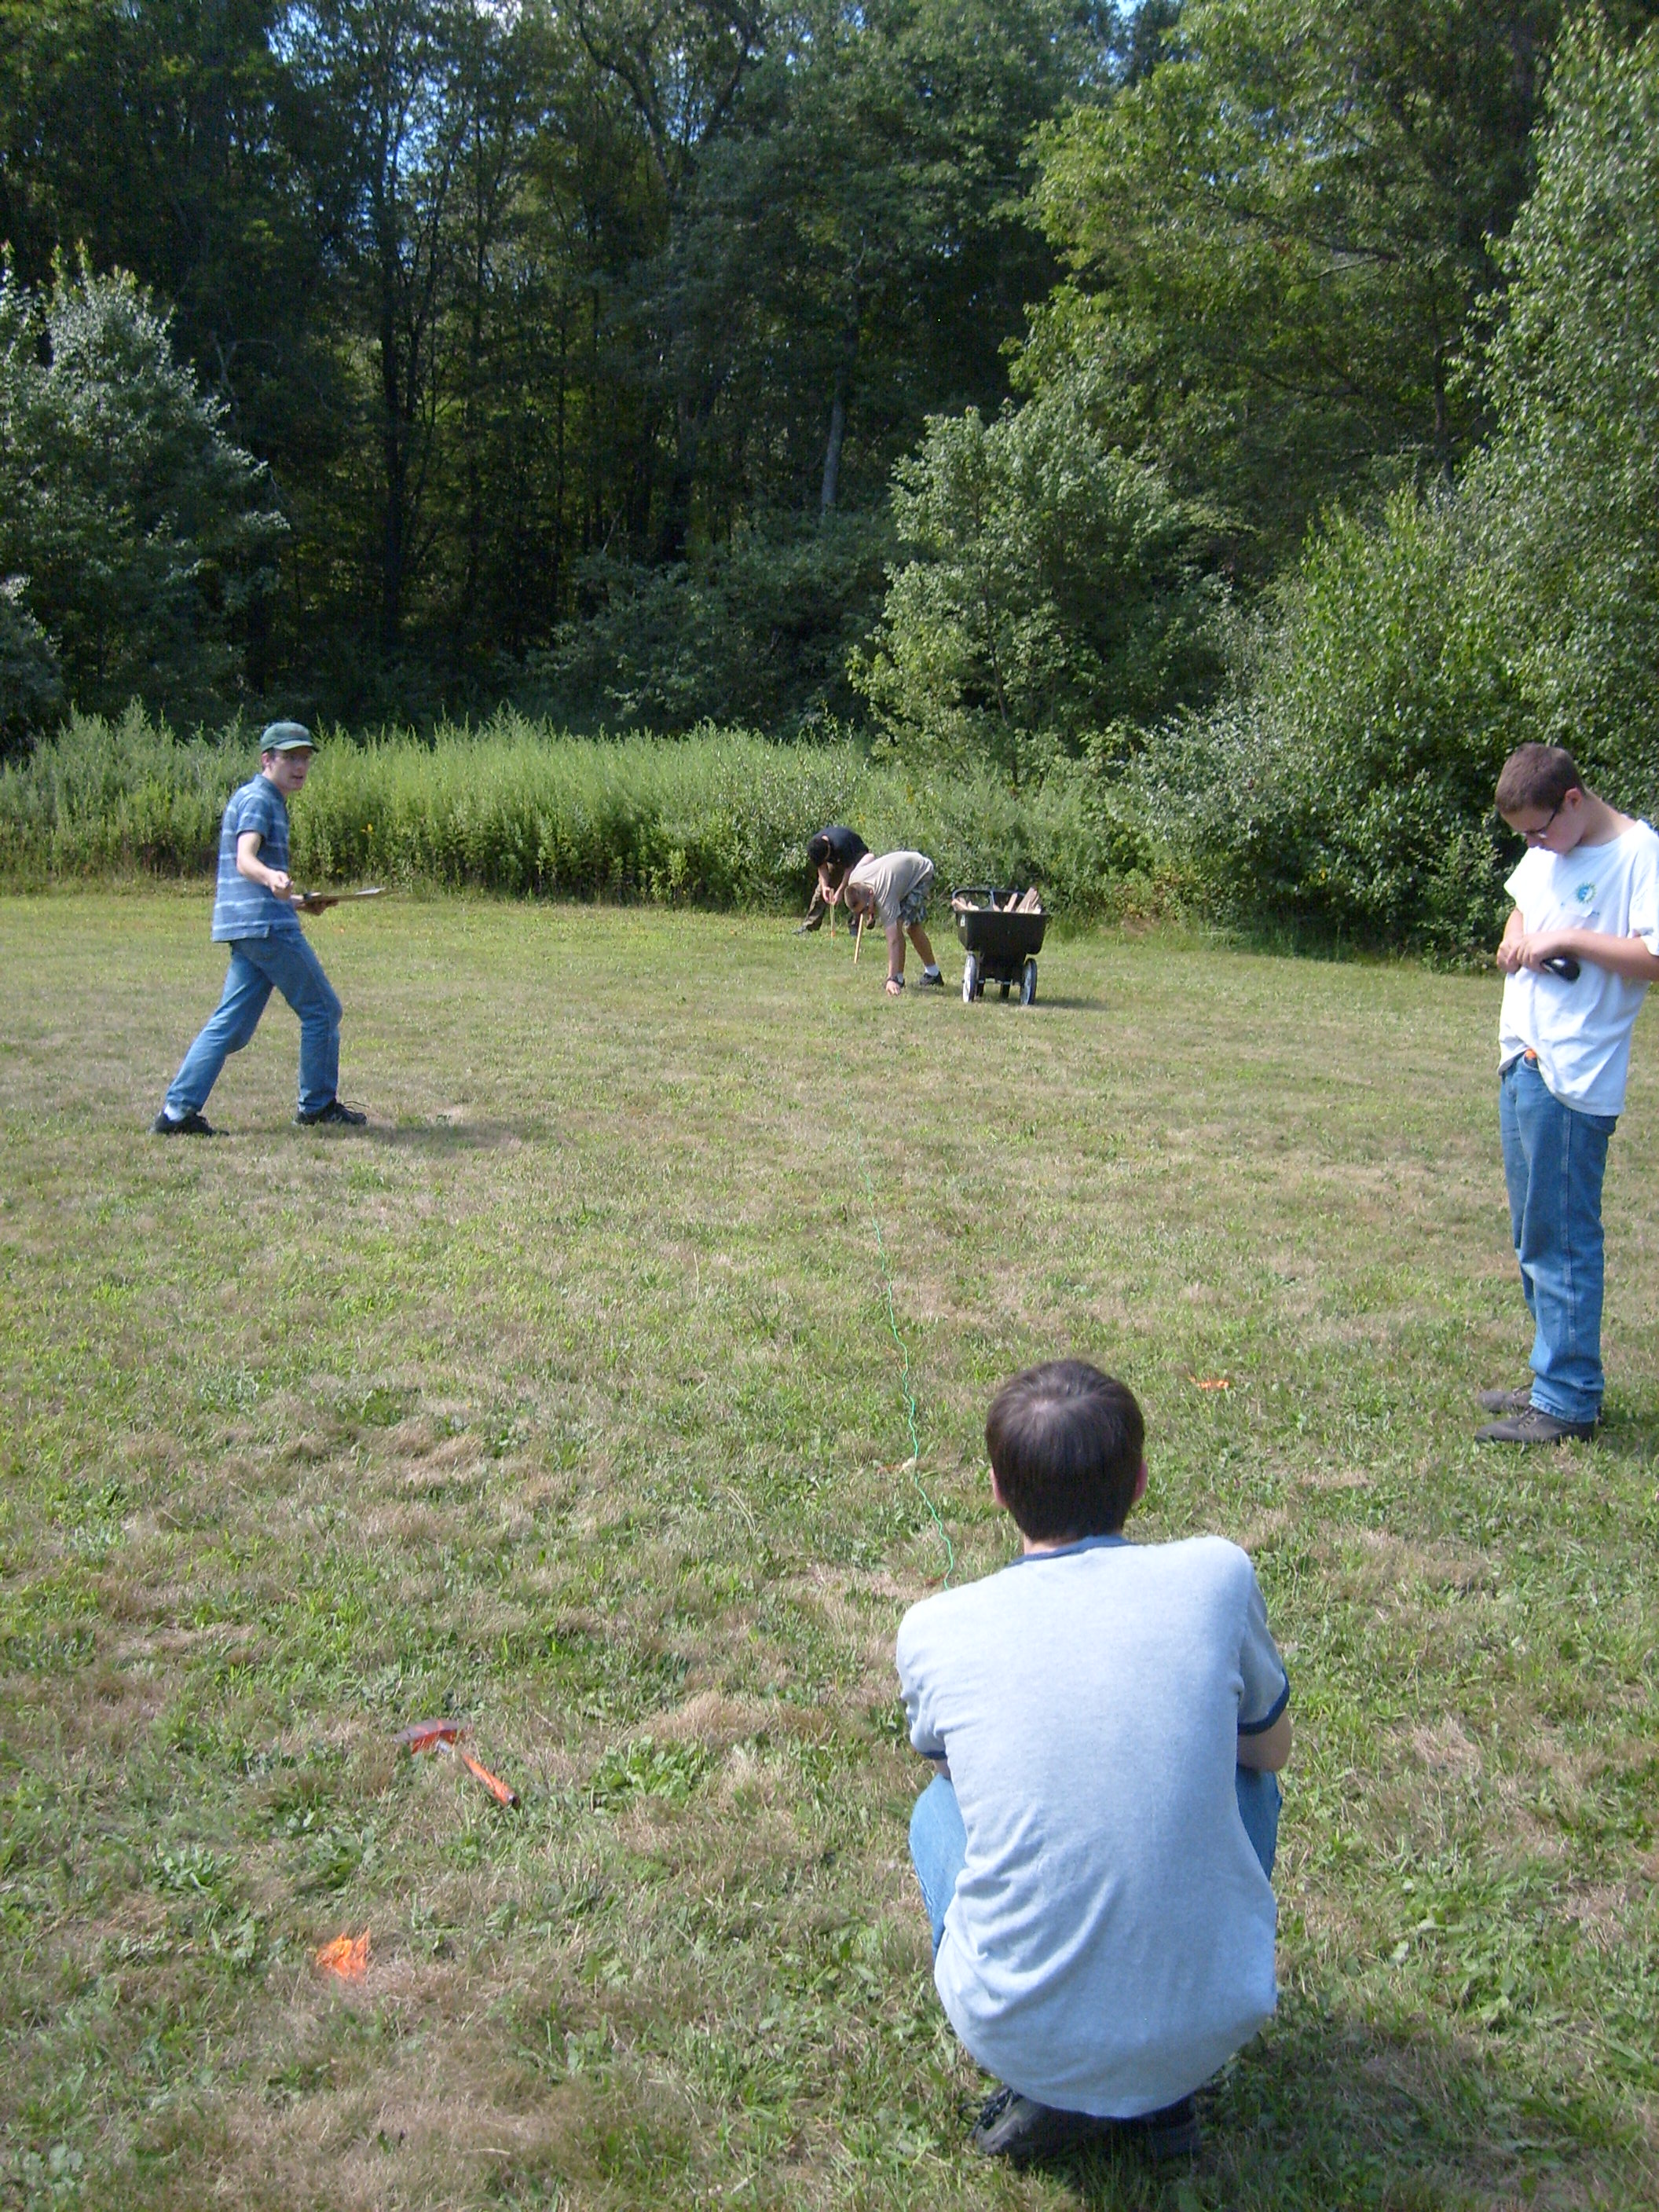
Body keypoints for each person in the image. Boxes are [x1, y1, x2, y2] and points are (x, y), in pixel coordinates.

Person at [895, 1361, 1290, 2167]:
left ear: (997, 1490)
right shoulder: (1216, 1573)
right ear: (1142, 1480)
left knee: (937, 1813)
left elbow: (949, 1772)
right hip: (1215, 2018)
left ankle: (1054, 2075)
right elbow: (1270, 1750)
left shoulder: (934, 1625)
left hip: (1014, 2029)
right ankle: (1164, 2081)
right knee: (1246, 1771)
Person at [1476, 743, 1659, 1444]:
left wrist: (1573, 940)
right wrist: (1517, 937)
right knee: (1533, 1233)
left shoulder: (1640, 855)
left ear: (1574, 801)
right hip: (1521, 1058)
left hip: (1575, 1073)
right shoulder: (1549, 850)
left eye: (1539, 829)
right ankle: (1553, 1374)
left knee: (1564, 1238)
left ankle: (1569, 1400)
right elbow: (1521, 909)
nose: (1534, 844)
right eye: (1523, 835)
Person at [152, 722, 368, 1135]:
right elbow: (245, 858)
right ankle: (317, 1107)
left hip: (251, 925)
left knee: (231, 1025)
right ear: (267, 760)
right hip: (266, 928)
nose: (300, 766)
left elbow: (259, 876)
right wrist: (271, 878)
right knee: (323, 1009)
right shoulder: (260, 799)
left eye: (305, 758)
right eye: (290, 758)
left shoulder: (263, 799)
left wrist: (302, 901)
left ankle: (177, 1114)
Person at [841, 848, 944, 994]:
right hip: (899, 874)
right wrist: (870, 911)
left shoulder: (884, 897)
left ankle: (901, 979)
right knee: (904, 925)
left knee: (909, 927)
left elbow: (893, 940)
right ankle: (910, 977)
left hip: (920, 873)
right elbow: (869, 856)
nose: (864, 914)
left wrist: (890, 978)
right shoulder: (854, 879)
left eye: (865, 910)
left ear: (871, 893)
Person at [795, 826, 870, 932]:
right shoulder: (816, 846)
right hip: (839, 859)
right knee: (821, 890)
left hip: (858, 856)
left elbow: (849, 869)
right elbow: (822, 867)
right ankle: (809, 925)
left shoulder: (841, 844)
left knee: (855, 890)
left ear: (829, 850)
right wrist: (825, 886)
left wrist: (840, 891)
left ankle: (855, 926)